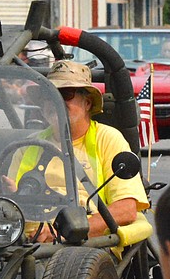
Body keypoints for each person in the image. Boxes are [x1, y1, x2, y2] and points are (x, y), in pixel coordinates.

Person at [48, 60, 150, 240]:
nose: (56, 101)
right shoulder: (28, 146)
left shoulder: (108, 139)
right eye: (50, 94)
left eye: (66, 94)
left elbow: (126, 209)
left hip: (85, 247)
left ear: (87, 103)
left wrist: (62, 234)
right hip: (24, 242)